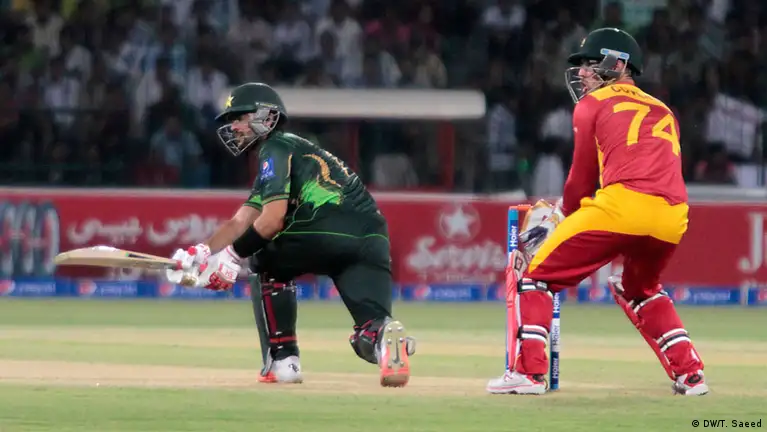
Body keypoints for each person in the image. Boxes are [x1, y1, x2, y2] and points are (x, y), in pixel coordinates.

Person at [486, 28, 708, 396]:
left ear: (618, 65)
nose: (583, 72)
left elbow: (581, 178)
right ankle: (691, 374)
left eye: (591, 64)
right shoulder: (664, 109)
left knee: (534, 274)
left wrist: (563, 215)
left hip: (621, 207)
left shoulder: (592, 105)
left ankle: (529, 374)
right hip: (673, 217)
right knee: (638, 288)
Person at [165, 82, 414, 387]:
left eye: (239, 117)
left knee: (263, 255)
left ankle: (284, 360)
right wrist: (200, 253)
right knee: (368, 335)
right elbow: (239, 222)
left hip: (326, 225)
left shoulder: (274, 148)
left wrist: (231, 257)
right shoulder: (294, 151)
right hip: (372, 237)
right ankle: (385, 338)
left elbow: (271, 221)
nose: (234, 127)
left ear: (266, 116)